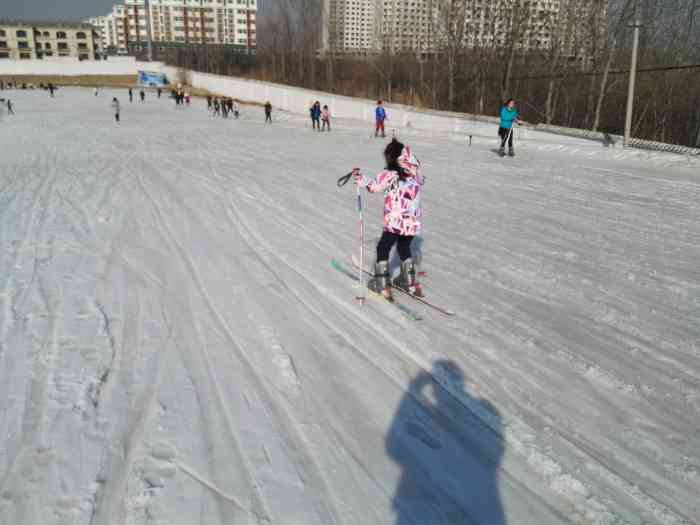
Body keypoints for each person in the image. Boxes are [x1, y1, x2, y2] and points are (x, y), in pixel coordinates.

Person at [353, 138, 423, 300]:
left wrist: (361, 179)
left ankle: (382, 284)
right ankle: (410, 282)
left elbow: (374, 187)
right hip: (411, 223)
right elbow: (421, 180)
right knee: (404, 247)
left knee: (383, 247)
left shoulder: (390, 174)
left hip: (395, 222)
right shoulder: (415, 174)